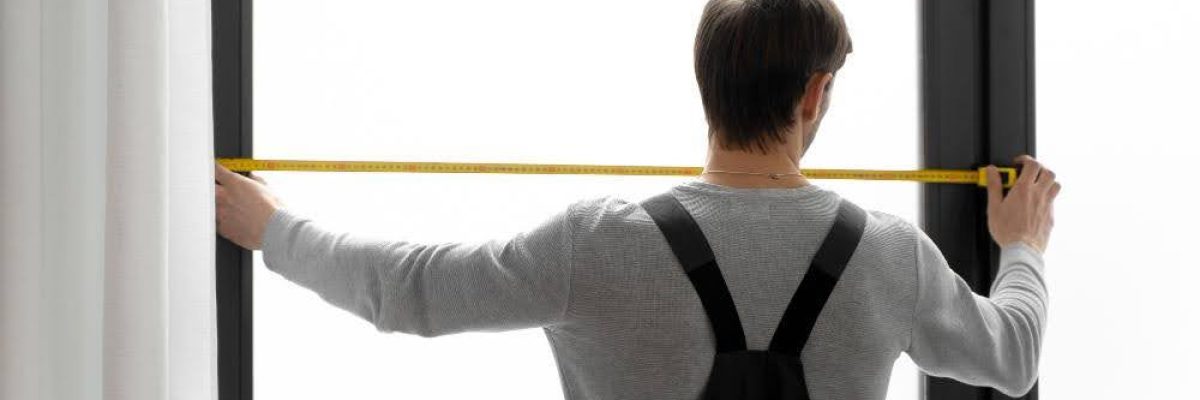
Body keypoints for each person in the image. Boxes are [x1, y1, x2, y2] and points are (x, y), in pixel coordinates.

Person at [214, 0, 1057, 398]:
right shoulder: (888, 255)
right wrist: (1020, 248)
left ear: (706, 84)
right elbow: (1012, 357)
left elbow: (406, 290)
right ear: (814, 95)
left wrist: (273, 230)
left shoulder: (597, 244)